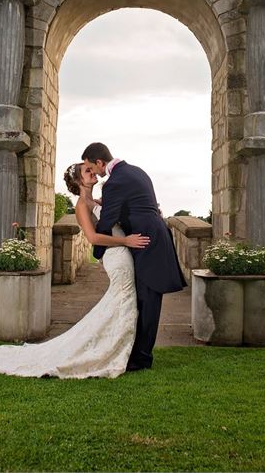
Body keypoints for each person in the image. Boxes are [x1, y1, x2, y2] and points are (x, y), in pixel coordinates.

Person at [0, 162, 150, 378]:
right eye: (87, 171)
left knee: (122, 299)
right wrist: (125, 241)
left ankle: (118, 348)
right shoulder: (82, 205)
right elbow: (92, 238)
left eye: (91, 169)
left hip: (121, 252)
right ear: (78, 181)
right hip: (116, 254)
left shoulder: (96, 201)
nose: (93, 173)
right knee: (123, 297)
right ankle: (111, 350)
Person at [82, 142, 186, 372]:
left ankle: (141, 359)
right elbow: (128, 207)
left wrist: (99, 252)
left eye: (92, 166)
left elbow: (108, 221)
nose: (94, 172)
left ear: (100, 162)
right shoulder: (136, 171)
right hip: (153, 235)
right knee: (144, 300)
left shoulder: (114, 183)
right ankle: (137, 354)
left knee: (148, 302)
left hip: (147, 241)